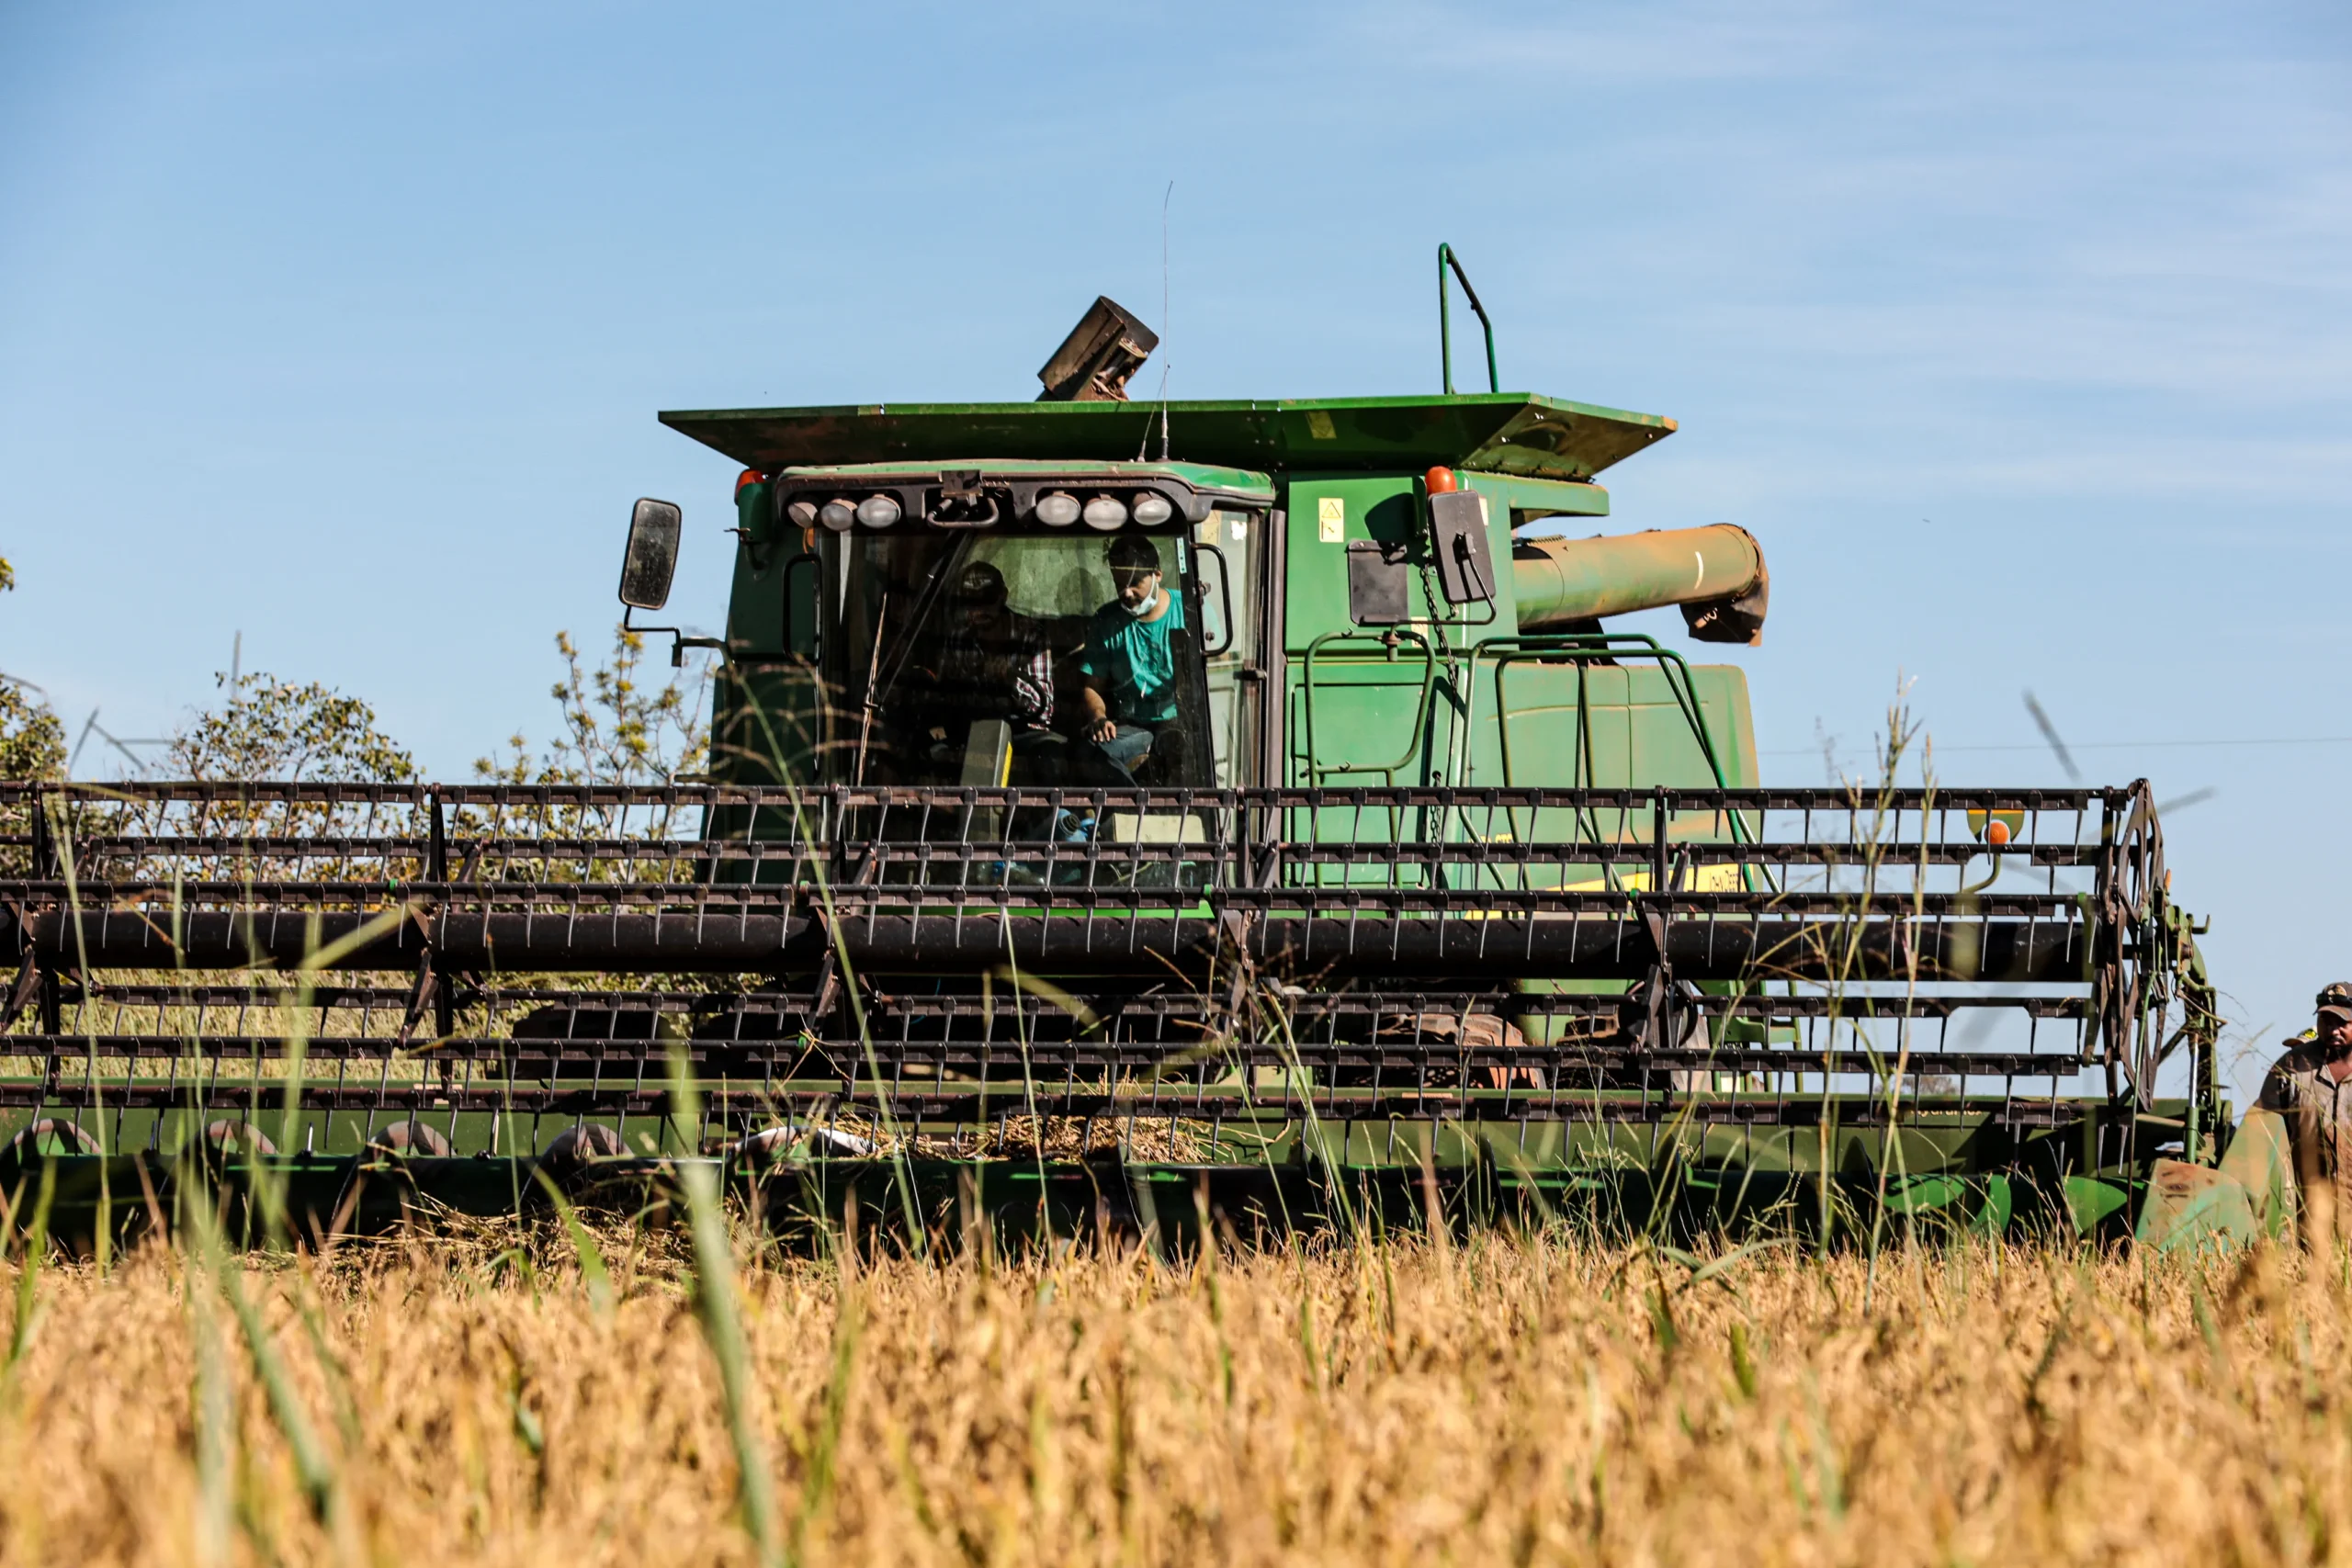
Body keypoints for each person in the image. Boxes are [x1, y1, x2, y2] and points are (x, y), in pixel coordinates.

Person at [1076, 534, 1185, 780]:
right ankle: (1128, 804)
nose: (1126, 592)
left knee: (1178, 754)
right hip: (1132, 723)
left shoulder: (1189, 611)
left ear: (1157, 574)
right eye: (1119, 584)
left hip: (1181, 720)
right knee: (1089, 754)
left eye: (1135, 582)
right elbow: (1092, 685)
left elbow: (1216, 674)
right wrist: (1099, 717)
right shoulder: (1106, 621)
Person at [2256, 981, 2352, 1234]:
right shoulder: (2291, 1067)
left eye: (2342, 1023)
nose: (2333, 1030)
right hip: (2307, 1213)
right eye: (2326, 1022)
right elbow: (2262, 1133)